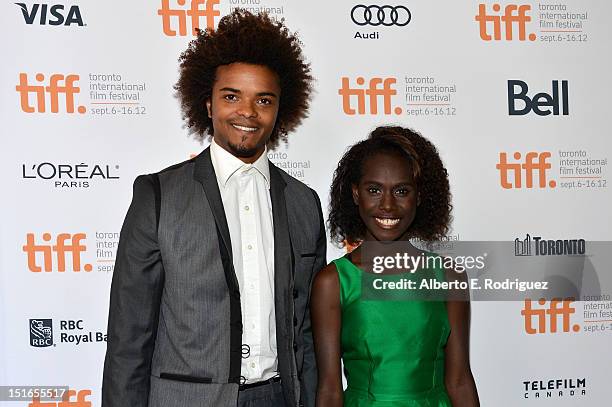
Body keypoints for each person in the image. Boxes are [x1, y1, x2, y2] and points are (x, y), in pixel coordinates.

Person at [102, 10, 325, 407]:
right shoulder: (157, 196)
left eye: (264, 100)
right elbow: (129, 341)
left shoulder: (303, 203)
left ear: (280, 110)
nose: (247, 112)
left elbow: (305, 332)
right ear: (207, 104)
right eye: (231, 96)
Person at [311, 126, 479, 406]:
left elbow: (459, 380)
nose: (387, 205)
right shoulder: (333, 282)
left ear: (419, 196)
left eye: (401, 191)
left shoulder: (449, 276)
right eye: (374, 190)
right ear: (355, 194)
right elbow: (329, 389)